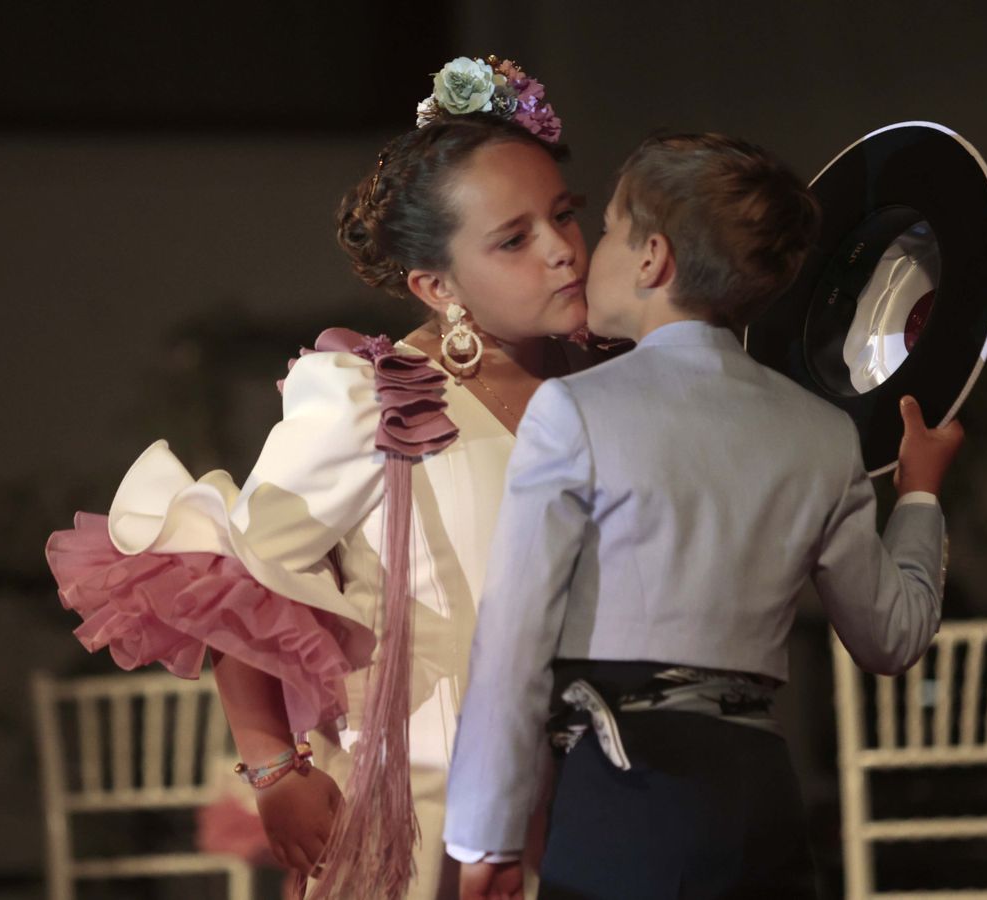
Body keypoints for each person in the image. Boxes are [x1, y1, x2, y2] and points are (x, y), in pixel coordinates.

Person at [46, 55, 597, 899]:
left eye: (565, 216)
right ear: (436, 285)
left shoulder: (610, 388)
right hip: (424, 809)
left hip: (591, 801)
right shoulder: (373, 399)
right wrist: (273, 766)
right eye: (514, 240)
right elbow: (235, 571)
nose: (561, 251)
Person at [443, 133, 966, 900]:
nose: (590, 253)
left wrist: (486, 837)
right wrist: (918, 494)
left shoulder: (575, 410)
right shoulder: (824, 433)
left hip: (627, 786)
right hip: (760, 791)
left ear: (653, 258)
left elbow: (515, 636)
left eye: (611, 228)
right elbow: (893, 637)